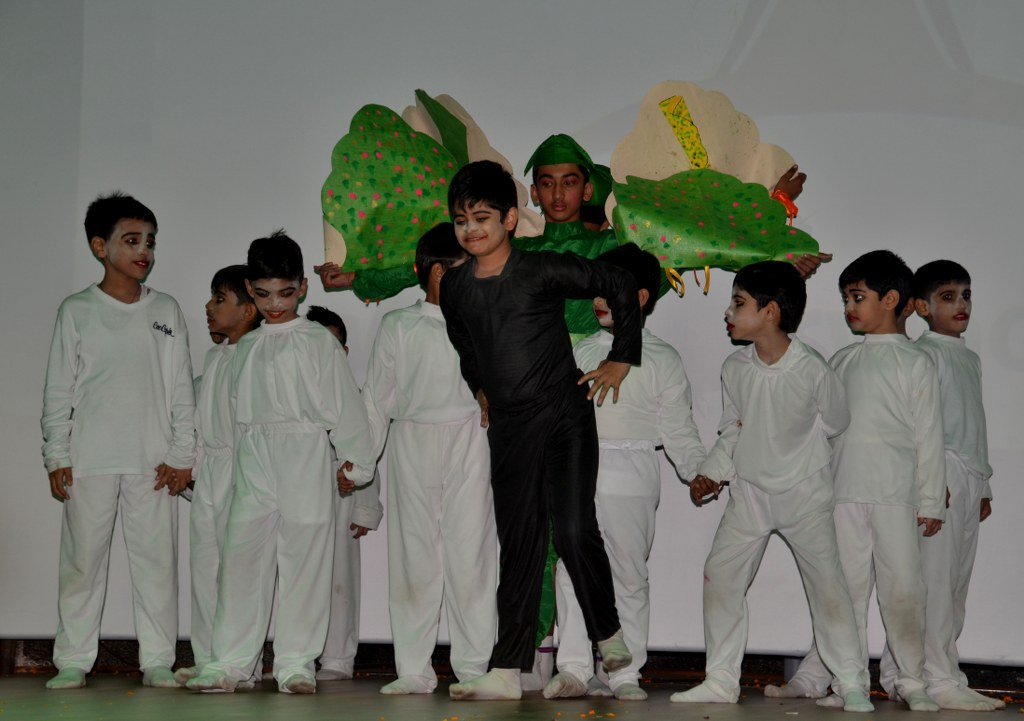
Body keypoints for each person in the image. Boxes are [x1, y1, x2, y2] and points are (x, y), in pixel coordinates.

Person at [438, 160, 641, 701]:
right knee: (520, 544)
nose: (470, 230)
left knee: (572, 528)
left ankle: (608, 634)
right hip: (510, 428)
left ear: (509, 219)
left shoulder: (540, 268)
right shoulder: (456, 286)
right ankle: (507, 670)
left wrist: (622, 356)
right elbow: (464, 341)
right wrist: (480, 386)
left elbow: (619, 281)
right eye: (461, 220)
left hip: (564, 417)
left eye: (482, 218)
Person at [668, 261, 872, 712]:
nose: (728, 312)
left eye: (738, 303)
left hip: (805, 497)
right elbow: (733, 428)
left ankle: (851, 682)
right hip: (749, 495)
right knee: (720, 576)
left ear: (771, 312)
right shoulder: (735, 368)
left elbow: (836, 421)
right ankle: (721, 681)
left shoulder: (812, 369)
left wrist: (798, 458)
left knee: (828, 587)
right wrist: (712, 472)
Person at [186, 231, 376, 694]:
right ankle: (230, 663)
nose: (274, 304)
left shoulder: (317, 341)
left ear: (302, 288)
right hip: (253, 461)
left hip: (304, 456)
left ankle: (295, 663)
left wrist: (357, 463)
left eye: (286, 294)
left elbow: (345, 407)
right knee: (241, 561)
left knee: (305, 560)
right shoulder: (245, 348)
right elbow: (234, 415)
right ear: (250, 290)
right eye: (264, 294)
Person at [774, 250, 945, 712]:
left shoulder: (917, 362)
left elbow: (929, 435)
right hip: (843, 494)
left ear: (890, 300)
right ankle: (840, 679)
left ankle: (911, 680)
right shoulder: (842, 360)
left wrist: (932, 500)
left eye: (857, 297)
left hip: (896, 496)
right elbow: (822, 431)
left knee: (904, 590)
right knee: (842, 590)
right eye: (845, 298)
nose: (849, 307)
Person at [41, 192, 195, 689]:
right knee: (81, 564)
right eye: (131, 241)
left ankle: (157, 660)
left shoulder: (166, 309)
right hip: (89, 461)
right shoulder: (77, 310)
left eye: (150, 242)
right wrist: (57, 455)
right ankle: (72, 659)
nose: (143, 251)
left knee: (157, 564)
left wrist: (182, 454)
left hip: (154, 463)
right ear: (99, 246)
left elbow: (181, 388)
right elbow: (58, 390)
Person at [548, 243, 706, 701]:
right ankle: (574, 667)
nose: (598, 299)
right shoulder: (578, 350)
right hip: (578, 467)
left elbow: (678, 426)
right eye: (596, 290)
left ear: (639, 297)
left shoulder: (662, 357)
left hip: (633, 470)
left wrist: (697, 469)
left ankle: (624, 672)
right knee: (571, 568)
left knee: (628, 571)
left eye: (609, 290)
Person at [357, 223, 498, 695]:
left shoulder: (485, 318)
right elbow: (376, 400)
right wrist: (360, 463)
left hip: (471, 438)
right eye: (466, 268)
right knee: (413, 557)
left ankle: (474, 668)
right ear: (438, 272)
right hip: (412, 442)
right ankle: (413, 669)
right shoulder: (399, 325)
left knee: (472, 554)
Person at [878, 261, 1002, 711]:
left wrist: (983, 485)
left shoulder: (969, 357)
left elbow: (972, 423)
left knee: (953, 586)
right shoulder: (923, 354)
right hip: (941, 475)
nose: (961, 304)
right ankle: (936, 677)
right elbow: (915, 425)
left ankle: (904, 674)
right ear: (921, 307)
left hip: (969, 475)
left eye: (966, 295)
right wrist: (930, 481)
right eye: (948, 296)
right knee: (932, 584)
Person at [174, 265, 261, 687]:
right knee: (205, 567)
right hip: (210, 471)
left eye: (219, 299)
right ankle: (207, 655)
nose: (208, 306)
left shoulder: (256, 355)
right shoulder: (215, 356)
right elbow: (200, 420)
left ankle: (238, 663)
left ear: (248, 310)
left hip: (241, 471)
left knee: (238, 572)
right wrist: (191, 465)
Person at [305, 305, 384, 683]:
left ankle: (337, 657)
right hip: (297, 493)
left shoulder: (354, 396)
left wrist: (365, 508)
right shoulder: (296, 394)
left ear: (345, 351)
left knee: (340, 579)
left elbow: (368, 451)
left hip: (342, 497)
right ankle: (298, 655)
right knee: (298, 578)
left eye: (333, 345)